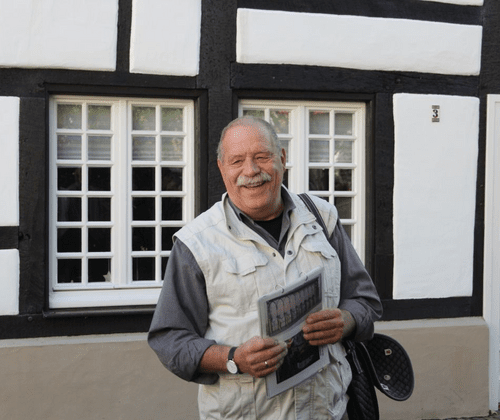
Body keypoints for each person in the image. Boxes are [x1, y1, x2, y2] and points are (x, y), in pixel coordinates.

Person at [148, 116, 382, 419]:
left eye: (262, 156)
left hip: (329, 411)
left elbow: (365, 300)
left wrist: (345, 321)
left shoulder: (321, 218)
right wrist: (233, 358)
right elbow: (170, 339)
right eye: (237, 161)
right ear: (222, 168)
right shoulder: (197, 243)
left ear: (282, 159)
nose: (251, 171)